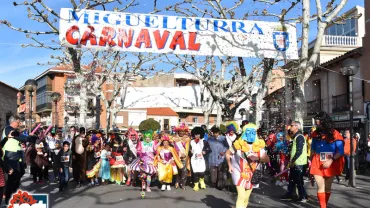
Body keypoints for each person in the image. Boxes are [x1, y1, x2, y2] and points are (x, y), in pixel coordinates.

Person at [225, 123, 269, 208]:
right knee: (241, 196)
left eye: (253, 132)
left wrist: (257, 158)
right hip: (238, 172)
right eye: (248, 131)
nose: (251, 134)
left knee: (246, 197)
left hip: (252, 174)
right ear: (244, 132)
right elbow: (227, 153)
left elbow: (267, 159)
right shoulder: (237, 144)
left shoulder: (259, 146)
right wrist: (229, 165)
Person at [310, 112, 345, 208]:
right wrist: (310, 164)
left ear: (323, 121)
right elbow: (312, 150)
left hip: (331, 162)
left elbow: (341, 151)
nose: (315, 121)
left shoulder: (335, 134)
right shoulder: (315, 134)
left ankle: (324, 204)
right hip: (317, 162)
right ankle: (323, 206)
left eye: (317, 119)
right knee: (320, 186)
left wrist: (331, 160)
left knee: (327, 187)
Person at [1, 115, 33, 206]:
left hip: (16, 158)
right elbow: (18, 136)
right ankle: (9, 201)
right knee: (12, 181)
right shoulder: (8, 129)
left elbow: (20, 137)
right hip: (10, 158)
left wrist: (28, 137)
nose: (19, 124)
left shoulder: (13, 130)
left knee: (17, 178)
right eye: (18, 123)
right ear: (13, 122)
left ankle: (13, 198)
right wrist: (27, 137)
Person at [280, 121, 308, 202]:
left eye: (292, 125)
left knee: (298, 180)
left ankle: (303, 196)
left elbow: (299, 151)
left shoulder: (299, 137)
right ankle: (291, 194)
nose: (290, 127)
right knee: (292, 179)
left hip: (299, 162)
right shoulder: (296, 137)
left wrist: (293, 160)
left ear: (297, 127)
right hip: (295, 162)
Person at [190, 127, 212, 191]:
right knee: (195, 172)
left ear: (201, 134)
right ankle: (196, 185)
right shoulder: (191, 142)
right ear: (193, 135)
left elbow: (209, 149)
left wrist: (205, 151)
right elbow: (189, 149)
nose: (197, 136)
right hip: (194, 159)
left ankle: (202, 181)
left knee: (202, 172)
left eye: (198, 134)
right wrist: (190, 151)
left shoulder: (204, 142)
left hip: (202, 159)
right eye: (195, 134)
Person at [173, 123, 191, 190]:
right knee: (177, 170)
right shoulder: (174, 138)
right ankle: (177, 182)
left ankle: (183, 184)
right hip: (176, 156)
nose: (181, 132)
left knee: (184, 171)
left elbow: (187, 148)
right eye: (180, 131)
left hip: (183, 157)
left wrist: (185, 154)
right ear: (178, 131)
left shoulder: (187, 139)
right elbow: (171, 147)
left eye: (183, 131)